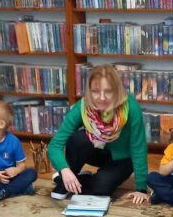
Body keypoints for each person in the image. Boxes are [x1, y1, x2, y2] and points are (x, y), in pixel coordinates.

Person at [48, 64, 149, 199]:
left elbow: (139, 147)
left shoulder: (131, 107)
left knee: (100, 189)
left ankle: (79, 179)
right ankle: (66, 178)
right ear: (89, 91)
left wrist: (141, 188)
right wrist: (64, 170)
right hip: (96, 152)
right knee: (78, 139)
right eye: (95, 91)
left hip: (122, 158)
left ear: (116, 90)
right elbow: (55, 145)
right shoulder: (82, 107)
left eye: (108, 91)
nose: (102, 98)